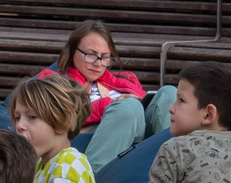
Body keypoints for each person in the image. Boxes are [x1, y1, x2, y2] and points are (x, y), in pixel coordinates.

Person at [47, 21, 154, 170]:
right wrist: (110, 104)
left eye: (105, 57)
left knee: (168, 93)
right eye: (91, 55)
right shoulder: (53, 80)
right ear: (72, 52)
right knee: (129, 108)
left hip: (139, 135)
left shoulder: (122, 80)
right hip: (93, 135)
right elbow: (55, 115)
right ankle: (90, 180)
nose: (98, 64)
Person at [8, 74, 98, 183]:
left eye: (32, 117)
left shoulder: (68, 166)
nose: (19, 126)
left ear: (62, 123)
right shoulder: (41, 164)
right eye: (17, 117)